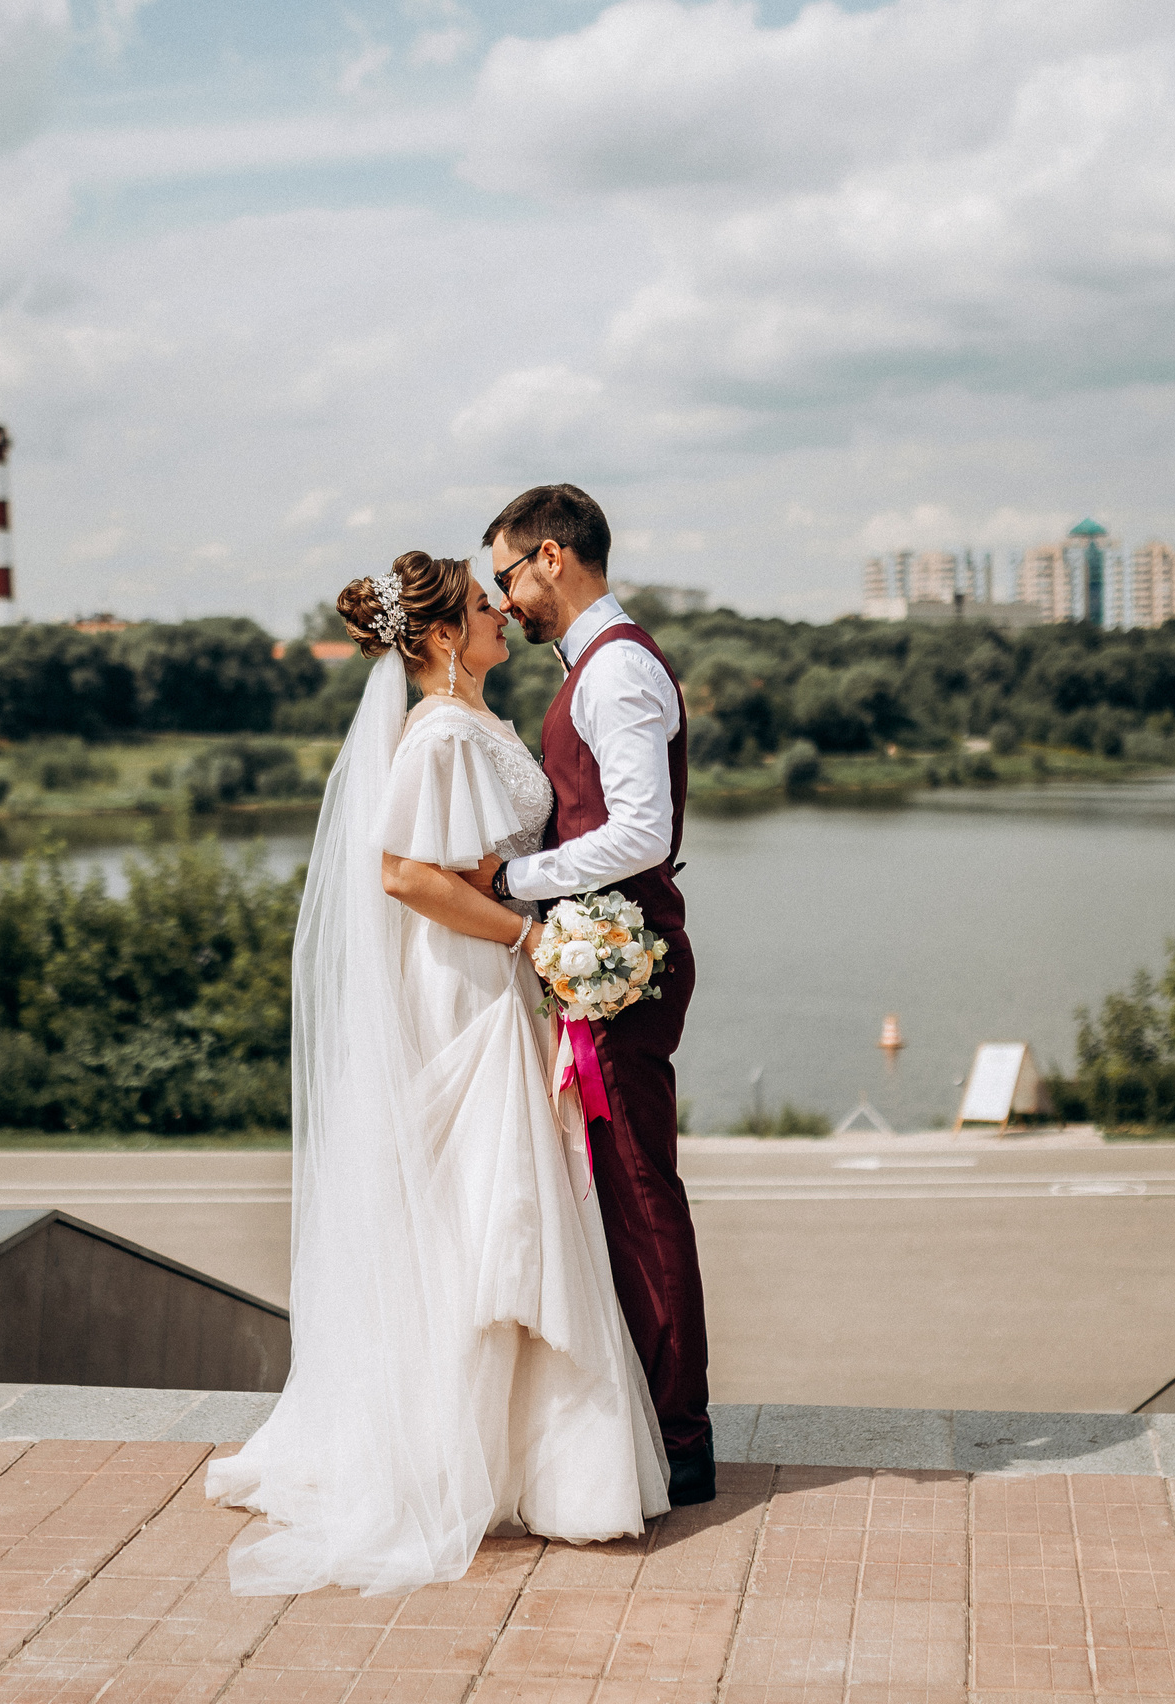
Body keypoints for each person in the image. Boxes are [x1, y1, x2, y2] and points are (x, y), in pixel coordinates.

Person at [206, 550, 669, 1597]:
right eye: (481, 601)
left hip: (491, 975)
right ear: (448, 636)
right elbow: (404, 874)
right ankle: (462, 1460)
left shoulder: (476, 722)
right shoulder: (442, 733)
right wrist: (530, 940)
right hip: (465, 985)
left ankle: (524, 1460)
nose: (501, 609)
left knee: (497, 1204)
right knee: (485, 1205)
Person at [469, 483, 716, 1507]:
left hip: (624, 967)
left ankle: (681, 1435)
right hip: (600, 958)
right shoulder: (596, 666)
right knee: (616, 1191)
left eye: (506, 575)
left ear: (553, 557)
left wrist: (510, 880)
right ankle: (653, 1420)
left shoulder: (614, 671)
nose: (504, 599)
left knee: (639, 1192)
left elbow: (641, 834)